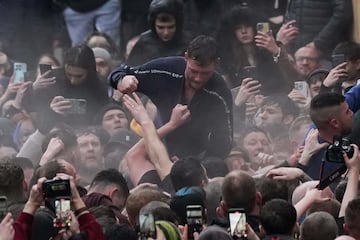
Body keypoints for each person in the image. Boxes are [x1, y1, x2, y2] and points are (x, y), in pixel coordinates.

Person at [109, 35, 233, 159]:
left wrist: (200, 166)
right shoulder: (166, 70)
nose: (198, 78)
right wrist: (122, 79)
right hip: (156, 146)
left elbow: (224, 142)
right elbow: (118, 73)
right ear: (186, 58)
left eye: (205, 73)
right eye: (194, 71)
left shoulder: (219, 91)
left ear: (216, 64)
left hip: (198, 156)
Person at [126, 0, 191, 66]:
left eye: (170, 27)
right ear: (153, 25)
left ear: (177, 25)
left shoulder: (188, 43)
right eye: (160, 27)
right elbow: (130, 70)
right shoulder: (144, 42)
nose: (166, 33)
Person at [285, 0, 353, 57]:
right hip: (299, 55)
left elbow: (343, 13)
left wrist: (318, 44)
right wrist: (288, 48)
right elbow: (291, 14)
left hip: (325, 53)